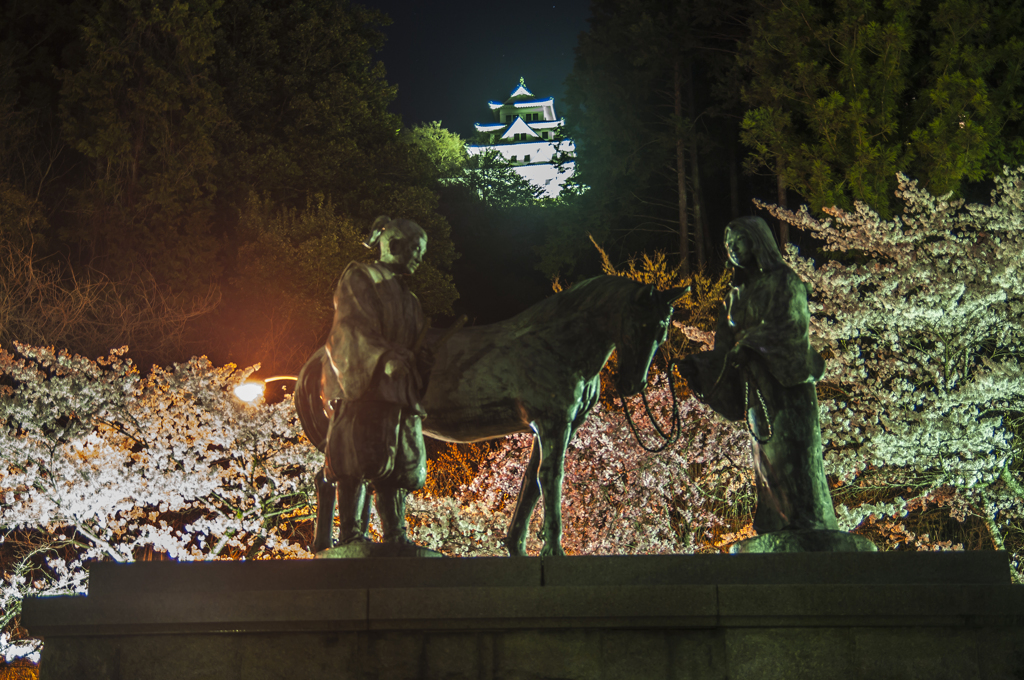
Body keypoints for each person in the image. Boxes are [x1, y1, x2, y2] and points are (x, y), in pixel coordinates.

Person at [677, 216, 838, 534]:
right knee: (766, 459)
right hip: (754, 385)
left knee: (794, 452)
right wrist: (698, 365)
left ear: (756, 240)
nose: (732, 249)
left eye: (738, 241)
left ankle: (809, 518)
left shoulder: (785, 280)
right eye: (728, 245)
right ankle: (775, 519)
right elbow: (725, 348)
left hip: (786, 381)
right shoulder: (735, 295)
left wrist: (750, 344)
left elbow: (792, 325)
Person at [323, 215, 432, 545]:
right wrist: (384, 358)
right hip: (365, 383)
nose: (418, 258)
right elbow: (349, 327)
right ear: (394, 245)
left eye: (422, 252)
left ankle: (394, 531)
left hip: (399, 392)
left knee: (399, 462)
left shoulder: (409, 299)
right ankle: (349, 531)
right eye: (415, 249)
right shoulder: (362, 276)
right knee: (356, 457)